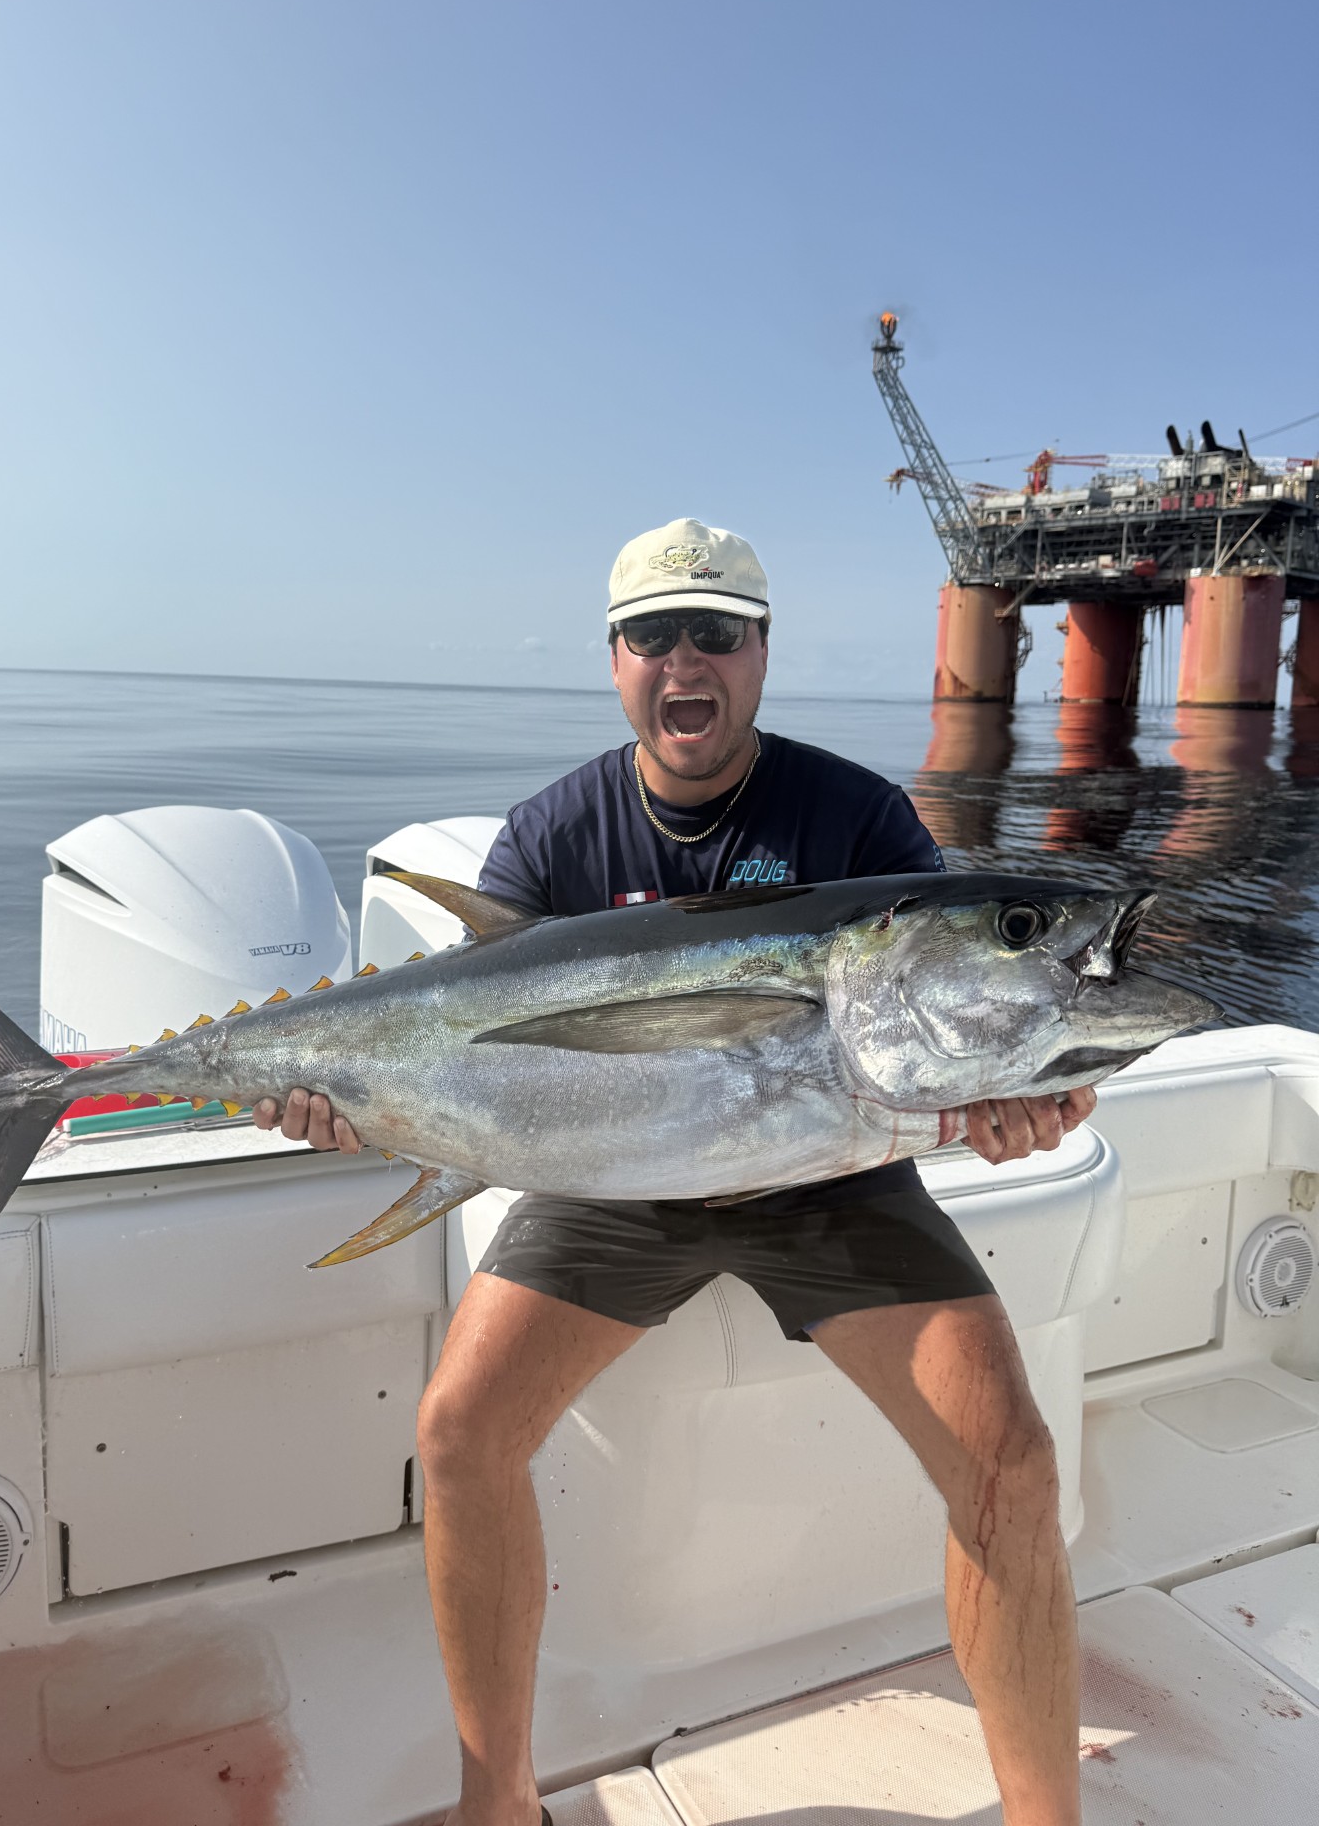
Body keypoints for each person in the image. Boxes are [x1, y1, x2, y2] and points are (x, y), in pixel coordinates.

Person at [255, 518, 1093, 1826]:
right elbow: (468, 1064)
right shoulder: (552, 837)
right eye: (655, 634)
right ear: (616, 659)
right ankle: (500, 1803)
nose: (684, 658)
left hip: (830, 1181)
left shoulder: (859, 819)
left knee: (1014, 1463)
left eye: (717, 631)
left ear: (760, 655)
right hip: (612, 1184)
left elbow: (948, 1024)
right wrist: (357, 1106)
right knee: (459, 1431)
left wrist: (1017, 1095)